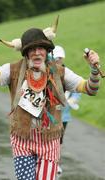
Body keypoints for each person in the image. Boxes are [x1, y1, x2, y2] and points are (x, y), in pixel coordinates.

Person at [0, 18, 100, 180]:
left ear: (47, 51)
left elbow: (91, 89)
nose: (36, 52)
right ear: (26, 53)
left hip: (49, 140)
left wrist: (94, 69)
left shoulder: (61, 72)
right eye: (31, 49)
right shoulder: (12, 70)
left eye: (40, 48)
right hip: (22, 139)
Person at [49, 45, 82, 176]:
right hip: (50, 114)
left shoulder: (67, 72)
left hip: (64, 116)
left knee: (58, 141)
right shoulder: (48, 72)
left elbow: (77, 90)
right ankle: (48, 162)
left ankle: (56, 163)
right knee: (50, 139)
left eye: (60, 59)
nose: (58, 61)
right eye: (56, 58)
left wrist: (73, 100)